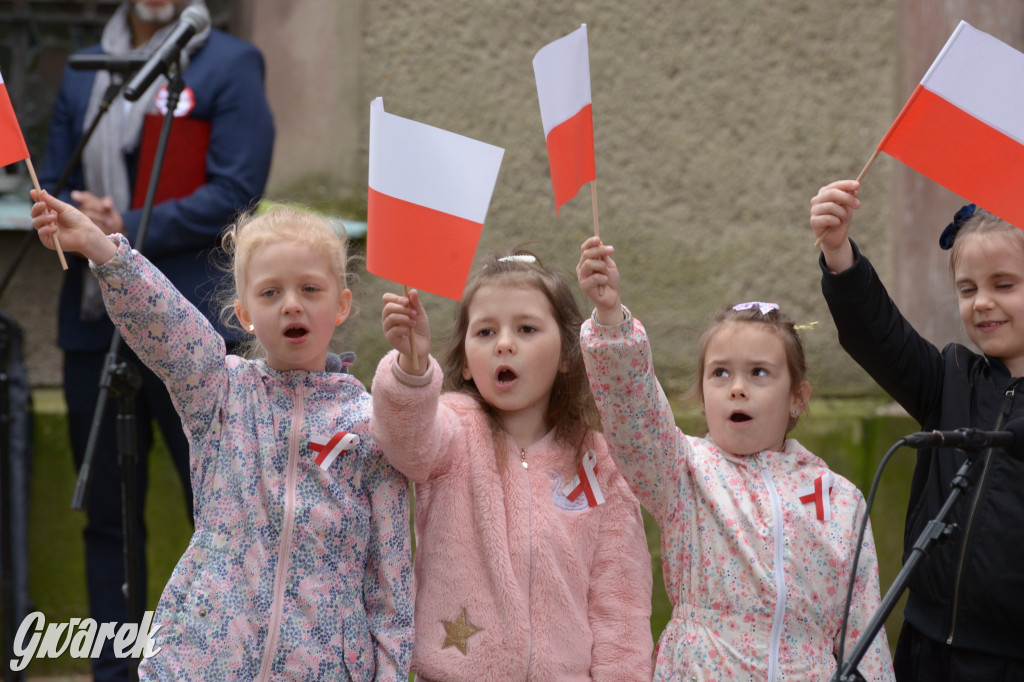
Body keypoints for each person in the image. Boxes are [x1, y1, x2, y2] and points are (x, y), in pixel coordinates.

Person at [30, 191, 414, 679]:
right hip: (204, 663)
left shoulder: (370, 423)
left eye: (310, 290)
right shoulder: (219, 392)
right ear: (245, 313)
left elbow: (392, 583)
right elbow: (167, 324)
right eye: (271, 292)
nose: (291, 304)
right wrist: (100, 249)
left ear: (341, 305)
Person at [37, 0, 274, 677]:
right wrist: (68, 215)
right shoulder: (88, 70)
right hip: (93, 327)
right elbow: (55, 174)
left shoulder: (230, 64)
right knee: (109, 520)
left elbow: (237, 189)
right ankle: (116, 670)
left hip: (195, 335)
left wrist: (127, 224)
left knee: (221, 515)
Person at [577, 236, 895, 681]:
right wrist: (611, 320)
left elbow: (864, 632)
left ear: (797, 399)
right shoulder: (682, 472)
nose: (737, 388)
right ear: (703, 396)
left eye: (759, 372)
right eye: (720, 372)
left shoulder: (839, 499)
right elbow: (635, 414)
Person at [370, 250, 653, 681]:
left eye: (526, 328)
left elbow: (622, 601)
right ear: (465, 361)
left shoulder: (600, 462)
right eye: (485, 331)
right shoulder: (451, 430)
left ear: (566, 354)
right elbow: (403, 439)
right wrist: (411, 368)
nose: (504, 342)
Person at [811, 179, 1024, 681]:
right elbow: (879, 335)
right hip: (926, 646)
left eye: (1005, 284)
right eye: (968, 289)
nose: (982, 302)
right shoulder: (949, 379)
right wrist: (838, 252)